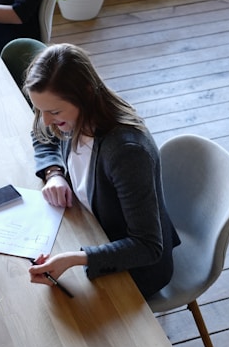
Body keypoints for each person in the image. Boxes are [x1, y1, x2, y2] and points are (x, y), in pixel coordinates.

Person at [23, 43, 178, 299]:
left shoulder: (126, 152)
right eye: (40, 109)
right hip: (90, 227)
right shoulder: (74, 113)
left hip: (134, 268)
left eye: (54, 112)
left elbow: (148, 247)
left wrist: (77, 258)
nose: (46, 120)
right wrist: (54, 173)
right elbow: (42, 133)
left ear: (84, 94)